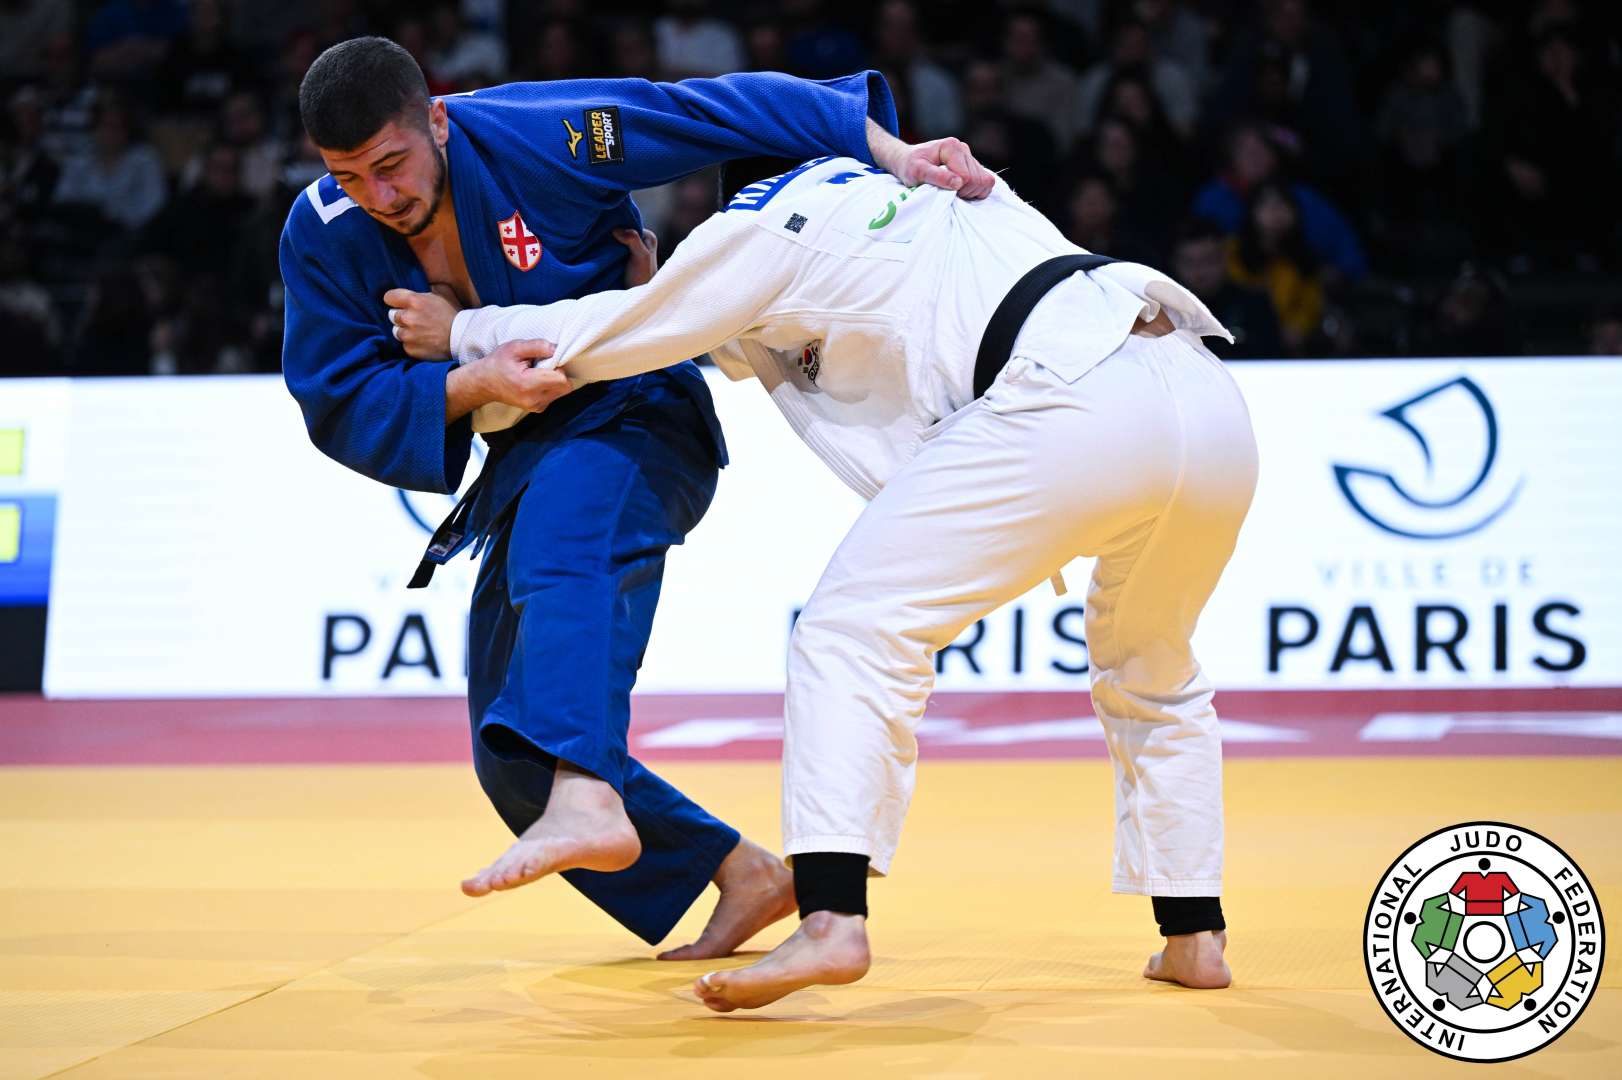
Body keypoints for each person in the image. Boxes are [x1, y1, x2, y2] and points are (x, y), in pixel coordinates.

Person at [388, 153, 1257, 1009]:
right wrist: (663, 291)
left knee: (851, 632)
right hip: (1202, 392)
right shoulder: (925, 196)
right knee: (1153, 664)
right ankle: (1195, 933)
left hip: (1069, 403)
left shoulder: (768, 215)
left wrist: (460, 334)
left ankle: (833, 917)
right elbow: (727, 328)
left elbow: (613, 333)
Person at [279, 37, 991, 962]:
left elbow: (708, 112)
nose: (380, 195)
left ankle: (589, 795)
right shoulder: (324, 229)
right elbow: (337, 396)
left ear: (438, 121)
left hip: (636, 410)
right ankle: (739, 871)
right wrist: (470, 380)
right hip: (523, 454)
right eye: (349, 175)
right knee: (510, 746)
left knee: (563, 549)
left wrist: (893, 153)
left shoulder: (541, 136)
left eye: (391, 163)